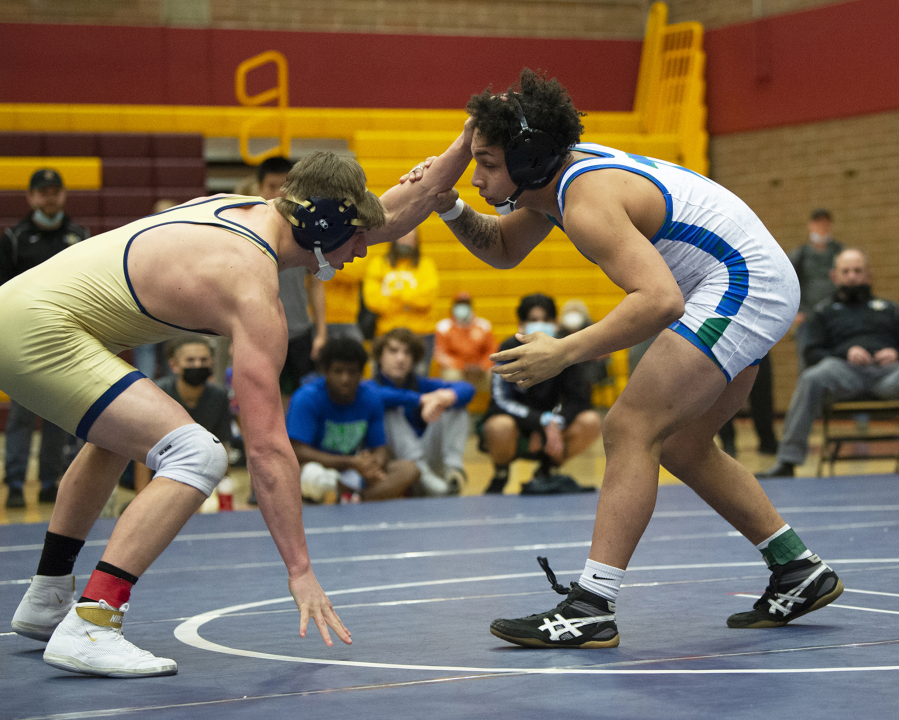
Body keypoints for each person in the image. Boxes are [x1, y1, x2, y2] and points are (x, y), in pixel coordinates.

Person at [405, 68, 843, 647]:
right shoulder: (551, 182)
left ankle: (592, 606)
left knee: (630, 427)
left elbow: (659, 301)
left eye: (487, 163)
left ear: (530, 158)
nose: (478, 174)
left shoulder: (586, 199)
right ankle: (799, 569)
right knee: (683, 444)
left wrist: (562, 352)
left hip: (741, 283)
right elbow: (505, 248)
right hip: (742, 280)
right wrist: (451, 206)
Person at [4, 137, 472, 677]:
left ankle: (46, 597)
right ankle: (94, 621)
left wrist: (467, 139)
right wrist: (300, 570)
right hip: (41, 333)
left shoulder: (248, 209)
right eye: (355, 238)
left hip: (23, 314)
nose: (364, 248)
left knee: (117, 437)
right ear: (322, 230)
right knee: (197, 453)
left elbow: (384, 214)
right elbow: (267, 448)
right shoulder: (252, 289)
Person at [758, 248, 899, 478]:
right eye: (846, 271)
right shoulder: (823, 312)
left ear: (868, 275)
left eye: (857, 270)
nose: (852, 276)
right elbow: (811, 353)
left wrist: (895, 352)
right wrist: (845, 352)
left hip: (888, 375)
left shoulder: (890, 309)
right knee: (811, 377)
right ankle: (787, 461)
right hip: (843, 373)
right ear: (835, 276)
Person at [1, 169, 90, 508]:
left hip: (65, 339)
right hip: (23, 340)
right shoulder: (14, 238)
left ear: (63, 195)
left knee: (59, 415)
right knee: (22, 416)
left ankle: (53, 481)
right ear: (31, 197)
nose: (50, 197)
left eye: (55, 191)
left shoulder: (79, 235)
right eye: (43, 192)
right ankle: (14, 482)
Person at [479, 293, 601, 494]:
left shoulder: (566, 350)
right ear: (521, 324)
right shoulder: (508, 349)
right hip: (517, 426)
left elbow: (579, 399)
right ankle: (501, 473)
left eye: (545, 320)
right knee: (498, 426)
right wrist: (539, 421)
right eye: (534, 320)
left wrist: (554, 422)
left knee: (591, 421)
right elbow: (500, 401)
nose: (540, 325)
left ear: (555, 323)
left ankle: (548, 468)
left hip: (553, 427)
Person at [287, 337, 419, 502]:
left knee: (409, 469)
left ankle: (354, 498)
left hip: (355, 473)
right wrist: (350, 462)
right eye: (338, 371)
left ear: (362, 372)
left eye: (352, 372)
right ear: (325, 371)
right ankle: (350, 496)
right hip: (319, 468)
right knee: (312, 475)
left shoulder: (371, 398)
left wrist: (373, 463)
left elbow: (379, 448)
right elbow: (297, 450)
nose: (345, 379)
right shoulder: (307, 398)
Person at [256, 157, 329, 409]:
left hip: (299, 332)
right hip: (262, 334)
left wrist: (321, 332)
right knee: (267, 400)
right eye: (271, 186)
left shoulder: (307, 233)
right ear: (259, 188)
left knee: (304, 401)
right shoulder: (247, 233)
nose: (278, 193)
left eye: (285, 186)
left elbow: (317, 285)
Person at [370, 327, 474, 495]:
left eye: (407, 353)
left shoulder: (423, 384)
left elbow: (467, 388)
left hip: (429, 455)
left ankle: (453, 471)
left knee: (454, 404)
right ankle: (423, 476)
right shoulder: (369, 387)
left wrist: (445, 397)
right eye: (393, 351)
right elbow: (377, 396)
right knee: (389, 410)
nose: (400, 358)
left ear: (414, 359)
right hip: (397, 464)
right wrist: (421, 399)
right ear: (380, 356)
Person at [130, 335, 232, 494]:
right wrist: (141, 494)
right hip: (158, 476)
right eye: (190, 360)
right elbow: (142, 453)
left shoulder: (219, 397)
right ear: (174, 365)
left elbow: (222, 446)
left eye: (204, 360)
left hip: (200, 478)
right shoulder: (157, 394)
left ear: (212, 362)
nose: (198, 365)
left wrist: (223, 490)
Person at [363, 228, 439, 375]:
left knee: (418, 380)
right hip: (386, 333)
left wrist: (393, 296)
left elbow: (426, 299)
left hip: (421, 334)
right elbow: (372, 301)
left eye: (411, 238)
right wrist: (409, 302)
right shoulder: (378, 264)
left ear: (417, 242)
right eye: (403, 237)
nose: (406, 241)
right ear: (394, 237)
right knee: (382, 381)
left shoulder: (426, 265)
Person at [791, 208, 844, 371]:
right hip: (809, 318)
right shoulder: (801, 254)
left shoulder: (839, 251)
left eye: (825, 223)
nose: (822, 227)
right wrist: (795, 311)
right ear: (810, 226)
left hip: (835, 317)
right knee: (807, 362)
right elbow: (789, 282)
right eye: (818, 223)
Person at [434, 290, 498, 390]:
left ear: (471, 306)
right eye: (459, 304)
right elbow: (441, 354)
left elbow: (492, 350)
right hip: (457, 370)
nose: (462, 307)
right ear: (453, 306)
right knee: (451, 375)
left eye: (466, 304)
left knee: (495, 375)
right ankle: (457, 405)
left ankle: (495, 404)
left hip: (479, 369)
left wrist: (483, 365)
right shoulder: (443, 327)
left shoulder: (484, 326)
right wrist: (462, 366)